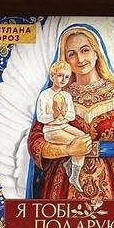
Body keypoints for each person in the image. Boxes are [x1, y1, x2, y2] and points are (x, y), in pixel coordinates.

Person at [26, 26, 114, 200]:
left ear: (96, 52)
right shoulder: (57, 95)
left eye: (85, 50)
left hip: (112, 181)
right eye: (72, 54)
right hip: (63, 182)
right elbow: (36, 143)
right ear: (65, 60)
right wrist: (67, 149)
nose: (80, 59)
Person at [35, 59, 91, 193]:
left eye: (67, 77)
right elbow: (41, 117)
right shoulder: (45, 95)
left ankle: (70, 164)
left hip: (64, 126)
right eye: (60, 75)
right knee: (78, 143)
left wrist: (64, 115)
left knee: (83, 137)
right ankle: (74, 176)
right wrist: (54, 116)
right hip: (51, 129)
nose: (63, 80)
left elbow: (71, 116)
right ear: (52, 76)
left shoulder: (66, 95)